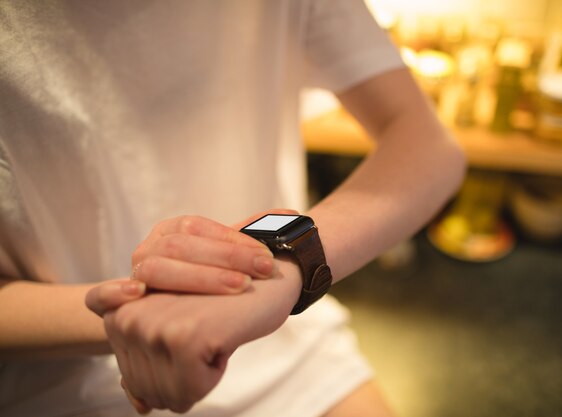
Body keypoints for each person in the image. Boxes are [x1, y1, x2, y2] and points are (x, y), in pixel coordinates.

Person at [0, 1, 465, 416]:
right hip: (61, 382)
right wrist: (144, 313)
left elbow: (428, 144)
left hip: (284, 339)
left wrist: (284, 270)